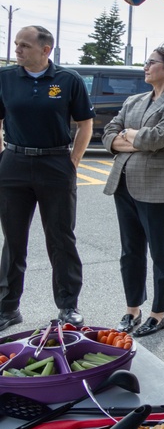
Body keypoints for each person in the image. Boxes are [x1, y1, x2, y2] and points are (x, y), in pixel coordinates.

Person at [0, 25, 94, 331]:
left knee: (61, 238)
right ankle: (8, 307)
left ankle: (68, 305)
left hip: (55, 163)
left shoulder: (68, 80)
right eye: (16, 44)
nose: (17, 50)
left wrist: (73, 162)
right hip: (13, 164)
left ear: (45, 50)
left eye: (24, 45)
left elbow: (85, 124)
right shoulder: (6, 78)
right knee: (13, 240)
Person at [101, 44, 164, 337]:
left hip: (159, 188)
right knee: (130, 252)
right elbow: (107, 135)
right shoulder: (134, 101)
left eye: (151, 62)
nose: (146, 66)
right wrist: (132, 139)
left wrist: (129, 136)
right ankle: (132, 310)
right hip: (124, 183)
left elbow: (156, 139)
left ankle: (159, 313)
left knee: (161, 254)